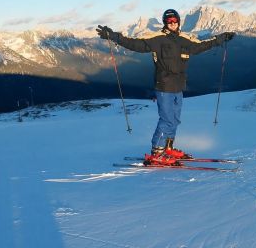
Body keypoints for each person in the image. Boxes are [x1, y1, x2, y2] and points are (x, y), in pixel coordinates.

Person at [96, 9, 235, 165]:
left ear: (179, 22)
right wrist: (114, 36)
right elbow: (136, 44)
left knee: (174, 119)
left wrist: (221, 39)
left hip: (178, 86)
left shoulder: (184, 39)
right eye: (169, 21)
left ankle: (168, 148)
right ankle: (157, 151)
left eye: (175, 21)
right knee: (167, 119)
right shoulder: (158, 39)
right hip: (164, 86)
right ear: (165, 23)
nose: (173, 24)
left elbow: (201, 46)